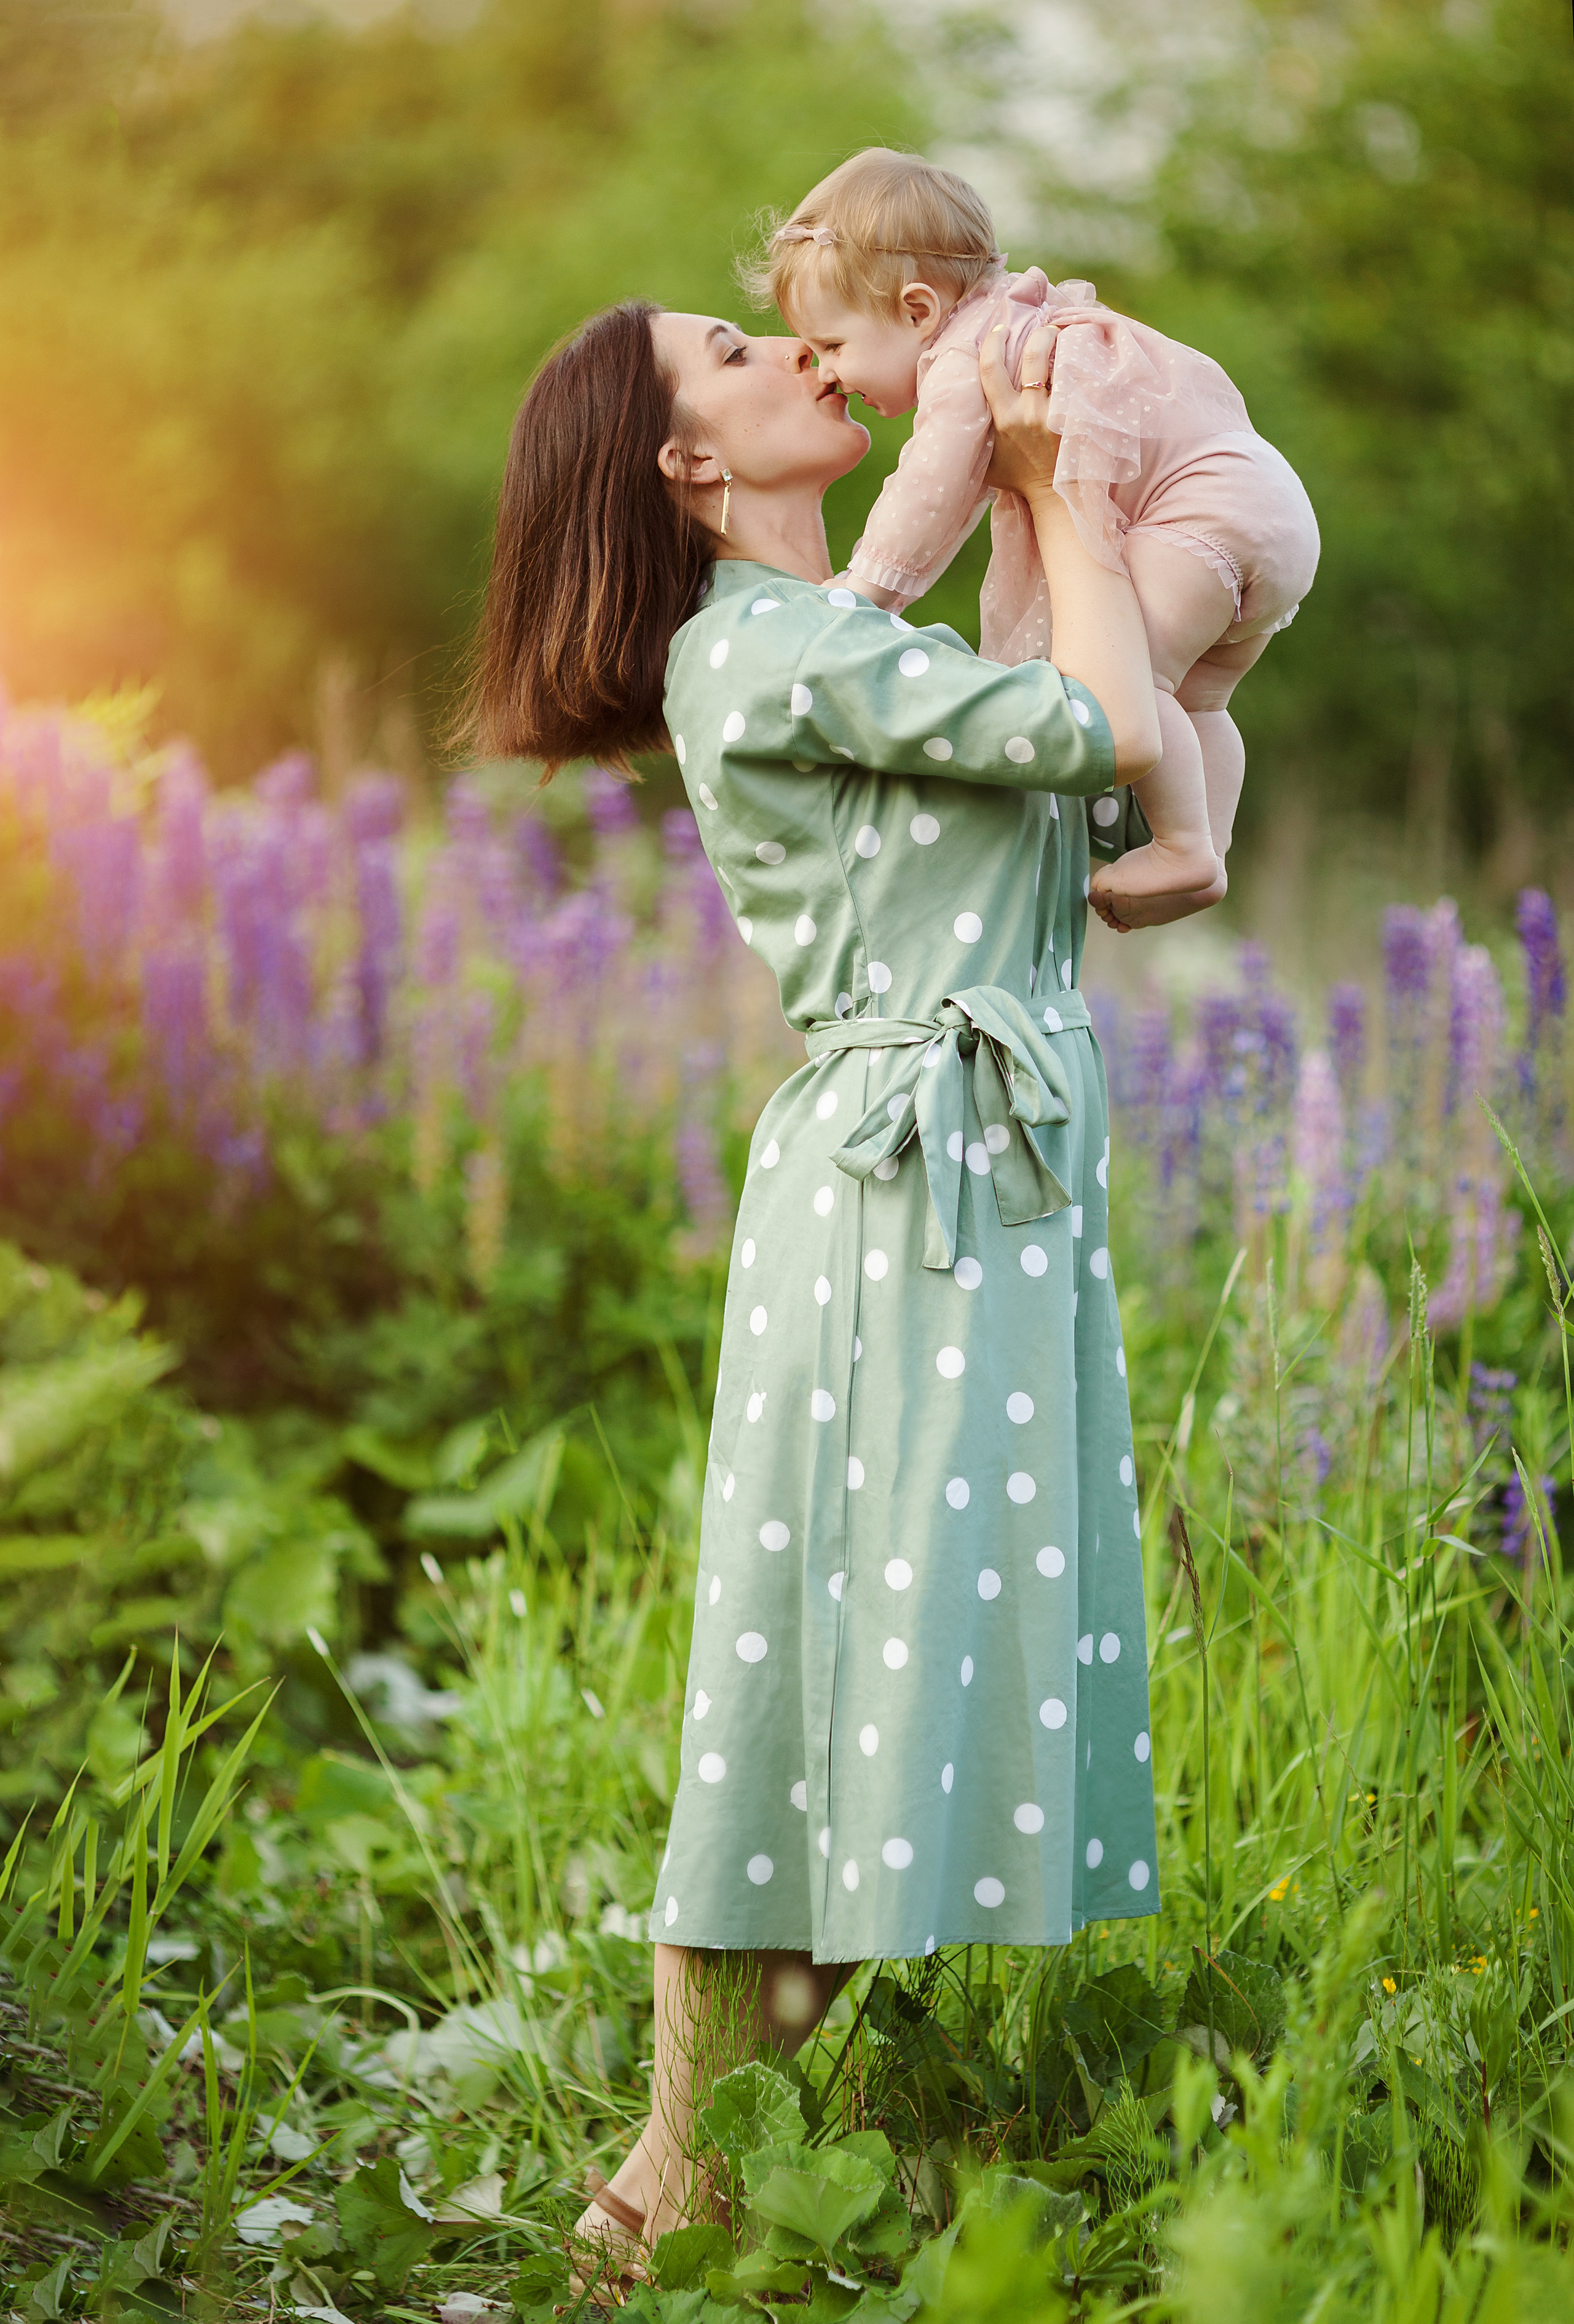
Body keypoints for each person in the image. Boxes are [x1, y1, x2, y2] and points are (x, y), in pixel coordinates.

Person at [459, 291, 1188, 2295]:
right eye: (736, 349)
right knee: (820, 1645)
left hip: (979, 1160)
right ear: (690, 463)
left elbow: (1119, 815)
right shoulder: (763, 644)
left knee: (900, 1647)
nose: (804, 353)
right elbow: (1114, 731)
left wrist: (1060, 524)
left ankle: (677, 2171)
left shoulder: (859, 645)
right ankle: (687, 2164)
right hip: (906, 1178)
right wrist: (1065, 490)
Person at [752, 146, 1321, 929]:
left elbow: (932, 488)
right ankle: (1204, 848)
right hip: (1265, 510)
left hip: (1199, 513)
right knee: (1199, 700)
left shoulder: (966, 354)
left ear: (918, 311)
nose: (828, 371)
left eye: (835, 346)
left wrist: (865, 590)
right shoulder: (1026, 317)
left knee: (1131, 683)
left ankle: (1185, 844)